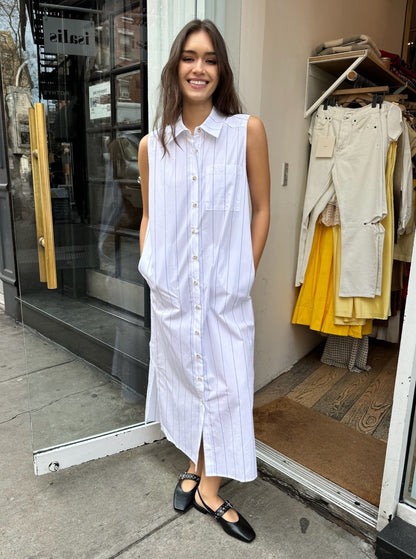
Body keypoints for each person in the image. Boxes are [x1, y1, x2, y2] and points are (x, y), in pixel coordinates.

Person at [138, 19, 270, 543]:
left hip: (224, 295)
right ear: (175, 67)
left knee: (228, 385)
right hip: (174, 295)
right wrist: (153, 268)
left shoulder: (245, 133)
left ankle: (210, 487)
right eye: (190, 57)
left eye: (211, 59)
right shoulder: (154, 146)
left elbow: (262, 209)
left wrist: (244, 272)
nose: (200, 68)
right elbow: (150, 215)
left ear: (222, 70)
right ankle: (195, 467)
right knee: (190, 381)